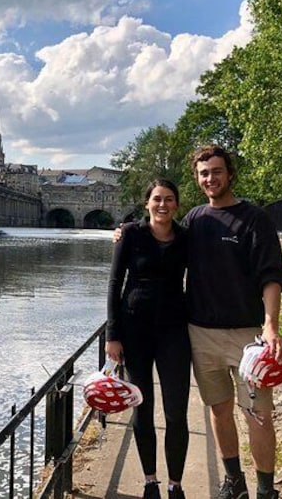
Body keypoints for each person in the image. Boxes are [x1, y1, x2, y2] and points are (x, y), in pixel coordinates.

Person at [113, 146, 282, 499]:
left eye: (217, 171)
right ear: (197, 178)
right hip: (201, 333)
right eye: (204, 173)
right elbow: (159, 236)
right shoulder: (195, 220)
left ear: (230, 174)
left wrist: (271, 325)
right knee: (219, 411)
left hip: (246, 335)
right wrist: (125, 235)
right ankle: (233, 482)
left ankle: (266, 490)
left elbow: (272, 276)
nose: (211, 178)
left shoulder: (254, 219)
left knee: (258, 415)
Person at [107, 179, 190, 499]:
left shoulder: (185, 237)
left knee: (176, 412)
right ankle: (150, 480)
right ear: (147, 203)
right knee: (142, 408)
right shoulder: (130, 235)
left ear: (177, 205)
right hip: (135, 330)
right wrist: (113, 335)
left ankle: (176, 484)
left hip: (173, 331)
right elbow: (114, 284)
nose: (163, 205)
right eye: (157, 199)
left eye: (169, 199)